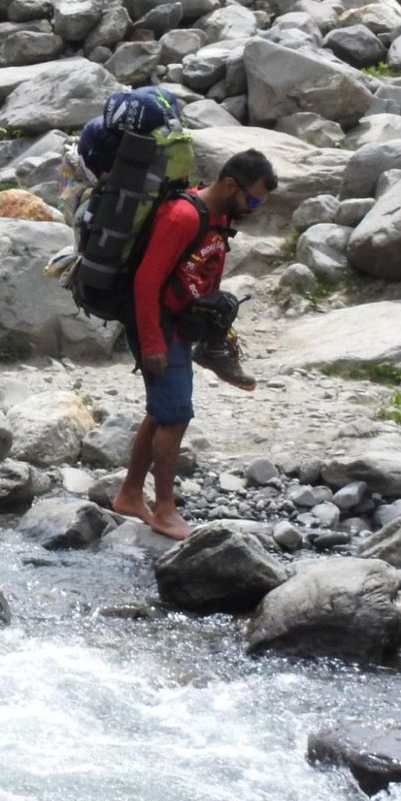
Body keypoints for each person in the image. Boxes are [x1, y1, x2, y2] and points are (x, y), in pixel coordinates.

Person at [112, 150, 277, 540]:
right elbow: (146, 282)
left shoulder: (220, 215)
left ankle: (130, 494)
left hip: (180, 323)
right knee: (176, 415)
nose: (253, 209)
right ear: (230, 184)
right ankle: (165, 509)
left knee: (162, 409)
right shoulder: (183, 216)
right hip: (156, 324)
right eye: (251, 200)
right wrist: (152, 343)